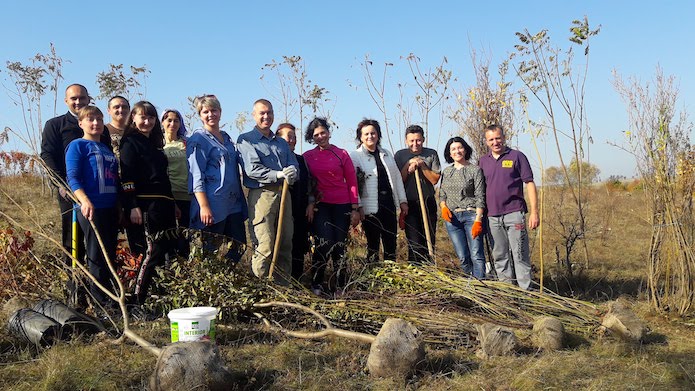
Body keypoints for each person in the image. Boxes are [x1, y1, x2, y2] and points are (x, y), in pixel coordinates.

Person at [40, 84, 111, 289]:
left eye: (82, 98)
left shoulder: (99, 127)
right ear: (66, 101)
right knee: (73, 240)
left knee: (98, 242)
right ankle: (75, 287)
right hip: (70, 191)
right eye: (74, 99)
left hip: (98, 193)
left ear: (89, 98)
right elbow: (47, 156)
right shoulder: (55, 125)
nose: (78, 102)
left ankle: (100, 287)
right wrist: (62, 184)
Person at [119, 101, 177, 305]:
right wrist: (133, 205)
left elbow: (163, 177)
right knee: (151, 251)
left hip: (165, 204)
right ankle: (136, 300)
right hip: (144, 205)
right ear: (133, 118)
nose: (147, 121)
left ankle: (157, 297)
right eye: (142, 117)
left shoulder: (155, 145)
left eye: (151, 117)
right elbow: (127, 177)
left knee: (167, 250)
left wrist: (173, 204)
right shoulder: (130, 142)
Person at [237, 99, 298, 285]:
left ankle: (283, 287)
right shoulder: (246, 139)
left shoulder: (280, 142)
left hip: (284, 194)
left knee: (285, 242)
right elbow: (252, 170)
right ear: (254, 115)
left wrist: (293, 172)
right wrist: (278, 173)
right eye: (262, 113)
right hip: (262, 195)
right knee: (265, 244)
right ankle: (262, 288)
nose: (266, 116)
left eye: (269, 113)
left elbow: (293, 163)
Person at [65, 106, 120, 308]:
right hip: (90, 209)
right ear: (81, 123)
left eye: (98, 119)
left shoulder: (106, 148)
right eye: (90, 120)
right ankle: (99, 303)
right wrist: (84, 200)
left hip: (110, 208)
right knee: (96, 256)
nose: (95, 123)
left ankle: (114, 299)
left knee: (110, 255)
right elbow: (72, 177)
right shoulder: (77, 146)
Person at [303, 117, 360, 295]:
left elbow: (352, 181)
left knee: (339, 245)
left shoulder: (341, 154)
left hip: (342, 204)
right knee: (324, 242)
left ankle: (340, 284)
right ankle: (317, 282)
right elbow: (307, 183)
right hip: (321, 206)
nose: (321, 137)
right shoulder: (308, 157)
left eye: (323, 133)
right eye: (316, 135)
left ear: (328, 132)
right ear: (312, 138)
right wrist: (310, 203)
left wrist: (355, 208)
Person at [479, 124, 539, 290]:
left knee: (520, 255)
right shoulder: (483, 162)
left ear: (504, 138)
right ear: (486, 142)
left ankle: (527, 294)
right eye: (491, 139)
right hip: (492, 217)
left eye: (498, 138)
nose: (495, 142)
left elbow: (529, 183)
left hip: (514, 214)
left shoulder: (517, 157)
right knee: (500, 257)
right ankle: (508, 294)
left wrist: (534, 212)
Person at [187, 95, 247, 263]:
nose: (210, 114)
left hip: (233, 203)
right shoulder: (198, 140)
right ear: (200, 115)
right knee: (208, 251)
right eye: (205, 111)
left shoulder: (227, 138)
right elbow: (196, 174)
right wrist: (204, 206)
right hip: (212, 203)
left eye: (214, 110)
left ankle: (225, 279)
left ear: (220, 112)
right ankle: (206, 284)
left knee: (239, 245)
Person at [349, 119, 408, 263]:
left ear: (378, 135)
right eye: (366, 134)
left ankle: (391, 275)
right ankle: (372, 277)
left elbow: (397, 178)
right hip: (370, 209)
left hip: (388, 204)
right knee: (373, 245)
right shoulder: (355, 156)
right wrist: (358, 206)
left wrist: (402, 201)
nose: (370, 136)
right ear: (361, 137)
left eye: (373, 133)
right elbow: (353, 184)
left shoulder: (386, 154)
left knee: (390, 243)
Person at [439, 136, 486, 279]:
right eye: (453, 149)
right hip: (452, 219)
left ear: (465, 150)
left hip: (471, 216)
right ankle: (470, 284)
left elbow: (480, 196)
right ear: (449, 152)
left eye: (460, 148)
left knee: (476, 255)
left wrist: (478, 219)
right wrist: (443, 207)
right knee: (463, 257)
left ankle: (481, 288)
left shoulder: (475, 170)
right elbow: (442, 194)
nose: (457, 151)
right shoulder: (447, 172)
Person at [394, 125, 441, 265]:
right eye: (412, 141)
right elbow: (398, 180)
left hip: (428, 201)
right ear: (406, 141)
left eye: (418, 140)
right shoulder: (400, 155)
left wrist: (423, 166)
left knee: (429, 239)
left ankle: (429, 268)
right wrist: (408, 167)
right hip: (410, 203)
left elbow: (434, 179)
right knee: (414, 242)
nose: (415, 144)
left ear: (423, 139)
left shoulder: (431, 153)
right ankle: (415, 269)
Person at [275, 123, 312, 281]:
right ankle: (279, 280)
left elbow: (310, 184)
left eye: (293, 137)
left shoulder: (301, 160)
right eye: (287, 136)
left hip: (300, 210)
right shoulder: (275, 161)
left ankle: (296, 281)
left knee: (298, 245)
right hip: (280, 211)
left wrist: (311, 203)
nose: (291, 140)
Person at [162, 109, 191, 257]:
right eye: (169, 120)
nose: (172, 123)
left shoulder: (186, 143)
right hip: (170, 196)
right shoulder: (159, 144)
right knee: (171, 238)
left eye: (176, 120)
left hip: (189, 196)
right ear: (162, 122)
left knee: (186, 238)